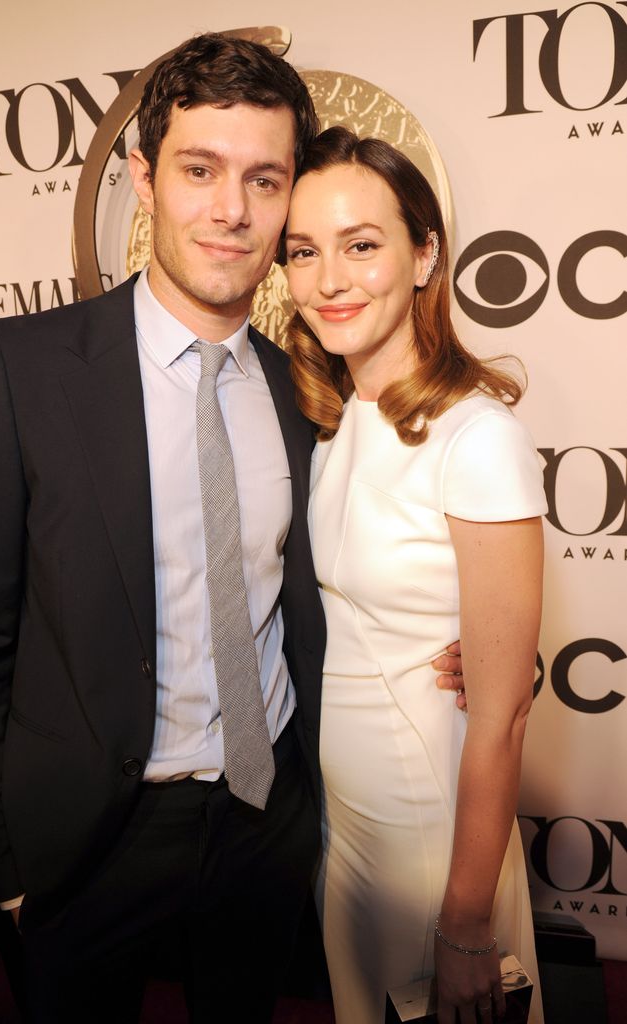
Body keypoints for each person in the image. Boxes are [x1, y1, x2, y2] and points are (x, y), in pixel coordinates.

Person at [0, 35, 463, 1023]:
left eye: (264, 178)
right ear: (142, 177)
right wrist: (2, 859)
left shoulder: (313, 388)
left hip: (267, 824)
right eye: (199, 170)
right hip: (84, 841)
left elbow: (346, 582)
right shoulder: (16, 369)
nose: (231, 209)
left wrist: (453, 646)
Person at [285, 126, 546, 1024]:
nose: (330, 279)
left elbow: (505, 707)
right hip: (346, 822)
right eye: (303, 251)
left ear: (425, 253)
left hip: (432, 829)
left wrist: (467, 922)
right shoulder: (330, 420)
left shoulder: (477, 439)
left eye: (362, 245)